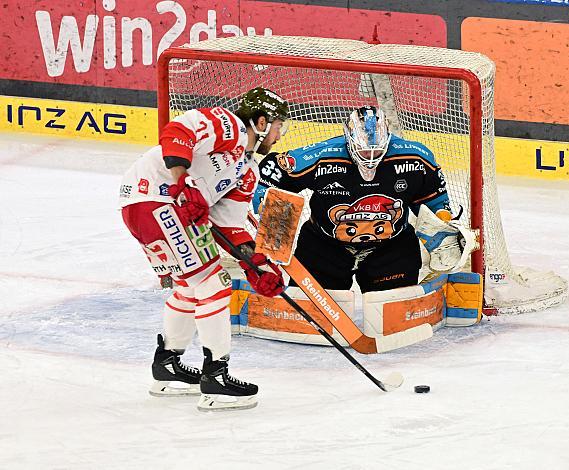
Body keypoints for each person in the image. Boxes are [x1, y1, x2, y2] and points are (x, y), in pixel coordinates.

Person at [119, 87, 289, 411]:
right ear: (263, 121)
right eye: (279, 125)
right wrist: (182, 181)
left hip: (145, 208)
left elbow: (230, 226)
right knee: (214, 284)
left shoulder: (247, 172)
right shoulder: (230, 127)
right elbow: (177, 132)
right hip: (155, 198)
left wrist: (257, 265)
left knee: (190, 285)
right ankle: (217, 378)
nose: (281, 134)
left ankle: (167, 368)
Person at [253, 105, 452, 294]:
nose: (370, 156)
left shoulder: (415, 157)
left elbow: (433, 195)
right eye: (364, 150)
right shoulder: (323, 156)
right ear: (348, 138)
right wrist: (264, 200)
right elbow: (275, 168)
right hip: (325, 247)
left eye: (377, 150)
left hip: (390, 249)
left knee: (394, 316)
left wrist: (443, 221)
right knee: (308, 316)